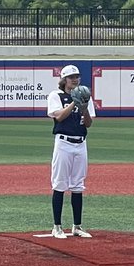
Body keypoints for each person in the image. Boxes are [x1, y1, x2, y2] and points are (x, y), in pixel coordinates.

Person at [45, 64, 96, 238]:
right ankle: (57, 226)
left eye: (77, 76)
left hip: (81, 143)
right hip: (63, 143)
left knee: (78, 185)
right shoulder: (56, 95)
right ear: (64, 80)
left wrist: (83, 107)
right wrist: (75, 100)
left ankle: (77, 226)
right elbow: (58, 116)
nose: (75, 79)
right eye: (71, 77)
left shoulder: (85, 97)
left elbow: (88, 123)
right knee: (59, 184)